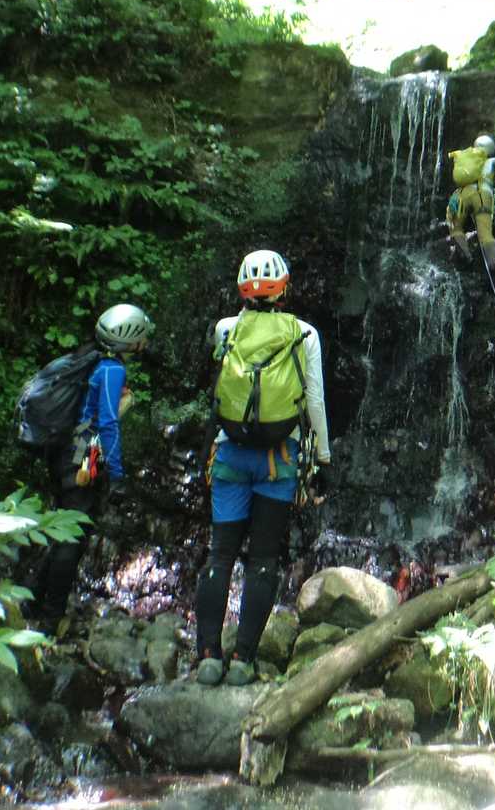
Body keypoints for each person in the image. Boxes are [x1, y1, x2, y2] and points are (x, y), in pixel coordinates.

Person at [195, 249, 330, 687]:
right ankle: (243, 660)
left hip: (230, 454)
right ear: (284, 288)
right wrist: (323, 458)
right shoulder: (304, 333)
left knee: (220, 553)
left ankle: (207, 656)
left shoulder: (226, 329)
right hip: (280, 459)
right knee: (264, 558)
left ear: (242, 289)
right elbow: (314, 401)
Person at [30, 303, 154, 634]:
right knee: (74, 535)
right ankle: (50, 617)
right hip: (83, 455)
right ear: (129, 338)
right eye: (141, 336)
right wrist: (117, 474)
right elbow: (107, 423)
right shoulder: (112, 369)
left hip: (63, 451)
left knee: (63, 527)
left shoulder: (89, 358)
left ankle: (33, 599)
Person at [446, 133, 495, 272]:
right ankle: (492, 266)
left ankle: (466, 256)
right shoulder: (493, 161)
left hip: (461, 195)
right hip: (482, 194)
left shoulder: (466, 158)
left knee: (456, 227)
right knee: (485, 232)